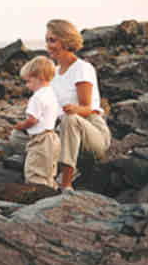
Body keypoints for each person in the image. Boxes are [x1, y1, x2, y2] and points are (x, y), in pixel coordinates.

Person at [45, 19, 111, 191]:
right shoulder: (53, 74)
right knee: (18, 136)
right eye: (47, 40)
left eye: (53, 40)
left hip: (91, 131)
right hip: (63, 131)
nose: (48, 45)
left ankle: (66, 183)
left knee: (70, 119)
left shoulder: (82, 68)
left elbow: (87, 108)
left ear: (66, 41)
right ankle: (44, 173)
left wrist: (74, 110)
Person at [10, 56, 62, 189]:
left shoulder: (37, 97)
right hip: (53, 138)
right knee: (48, 173)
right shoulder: (51, 93)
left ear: (40, 77)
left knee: (34, 173)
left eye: (28, 81)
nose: (27, 85)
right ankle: (52, 193)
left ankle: (39, 196)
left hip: (40, 140)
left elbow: (32, 120)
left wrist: (21, 125)